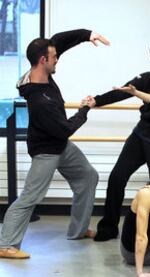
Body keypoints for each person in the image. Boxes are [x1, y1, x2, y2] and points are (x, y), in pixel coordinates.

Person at [0, 29, 109, 259]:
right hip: (46, 151)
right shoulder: (39, 100)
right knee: (30, 197)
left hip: (61, 145)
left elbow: (57, 40)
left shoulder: (41, 70)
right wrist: (85, 109)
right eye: (54, 57)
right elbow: (65, 129)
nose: (57, 58)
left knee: (88, 176)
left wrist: (87, 35)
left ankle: (78, 231)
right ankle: (6, 244)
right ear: (43, 60)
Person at [85, 40, 150, 241]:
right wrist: (96, 101)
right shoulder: (149, 77)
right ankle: (108, 228)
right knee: (117, 177)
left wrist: (137, 93)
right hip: (140, 136)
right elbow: (122, 91)